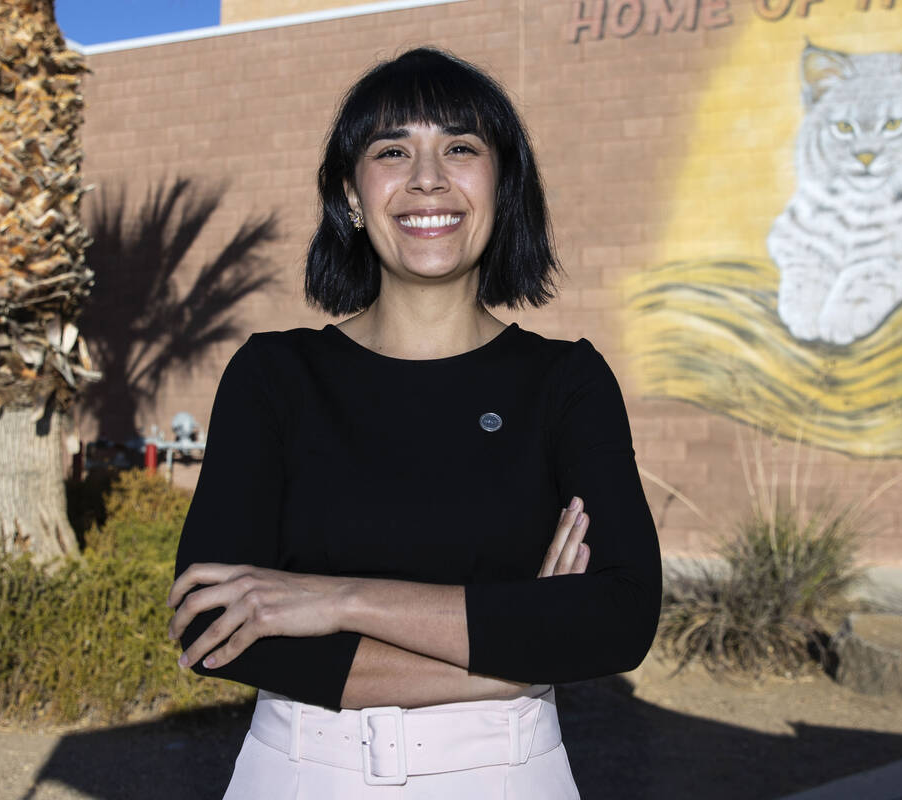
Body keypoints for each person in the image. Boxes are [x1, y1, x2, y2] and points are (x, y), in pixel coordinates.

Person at [167, 47, 661, 798]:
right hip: (299, 773)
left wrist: (338, 600)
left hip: (507, 775)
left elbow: (618, 618)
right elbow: (214, 628)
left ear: (503, 185)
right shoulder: (274, 377)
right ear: (352, 194)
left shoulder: (565, 383)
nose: (428, 177)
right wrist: (515, 656)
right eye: (392, 150)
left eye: (460, 148)